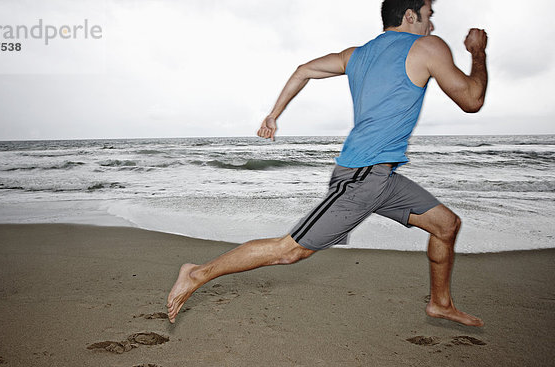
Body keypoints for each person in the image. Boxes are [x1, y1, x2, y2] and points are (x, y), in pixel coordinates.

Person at [167, 0, 488, 327]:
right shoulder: (427, 46)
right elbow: (472, 99)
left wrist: (273, 116)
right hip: (363, 178)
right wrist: (478, 52)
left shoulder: (357, 55)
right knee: (288, 251)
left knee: (446, 225)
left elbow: (302, 70)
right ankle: (196, 273)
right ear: (410, 15)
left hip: (382, 178)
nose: (431, 25)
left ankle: (440, 303)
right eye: (428, 16)